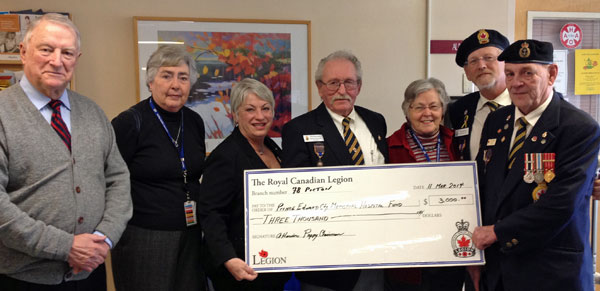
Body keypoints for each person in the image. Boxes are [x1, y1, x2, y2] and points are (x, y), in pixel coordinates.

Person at [0, 13, 132, 290]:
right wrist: (66, 246)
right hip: (20, 277)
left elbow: (118, 180)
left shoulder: (93, 112)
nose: (57, 61)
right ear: (23, 52)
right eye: (46, 49)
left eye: (67, 52)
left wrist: (103, 240)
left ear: (77, 59)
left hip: (89, 273)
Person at [473, 39, 600, 291]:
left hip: (550, 271)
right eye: (509, 74)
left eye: (527, 73)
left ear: (551, 74)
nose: (516, 82)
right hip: (498, 270)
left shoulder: (578, 127)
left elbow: (562, 203)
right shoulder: (497, 120)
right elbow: (482, 185)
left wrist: (498, 232)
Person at [281, 50, 388, 291]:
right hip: (326, 259)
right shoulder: (298, 129)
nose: (342, 90)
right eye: (333, 83)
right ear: (320, 87)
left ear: (359, 86)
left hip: (373, 249)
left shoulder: (376, 121)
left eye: (349, 82)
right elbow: (293, 194)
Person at [110, 45, 207, 290]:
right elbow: (109, 182)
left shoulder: (194, 121)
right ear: (151, 81)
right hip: (144, 236)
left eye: (183, 77)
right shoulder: (130, 122)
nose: (176, 85)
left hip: (191, 233)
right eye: (167, 75)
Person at [199, 78, 291, 290]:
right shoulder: (225, 156)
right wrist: (228, 258)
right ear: (235, 115)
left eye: (265, 108)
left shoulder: (274, 149)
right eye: (250, 109)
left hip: (272, 266)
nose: (260, 116)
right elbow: (211, 213)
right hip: (239, 270)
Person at [386, 78, 466, 291]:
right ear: (407, 111)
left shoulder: (459, 145)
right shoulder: (389, 148)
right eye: (419, 107)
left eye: (434, 106)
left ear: (443, 110)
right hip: (407, 259)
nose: (427, 113)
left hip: (450, 254)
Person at [448, 29, 511, 161]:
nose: (481, 65)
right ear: (467, 73)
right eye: (473, 61)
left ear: (506, 64)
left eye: (489, 58)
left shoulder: (524, 104)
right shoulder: (458, 110)